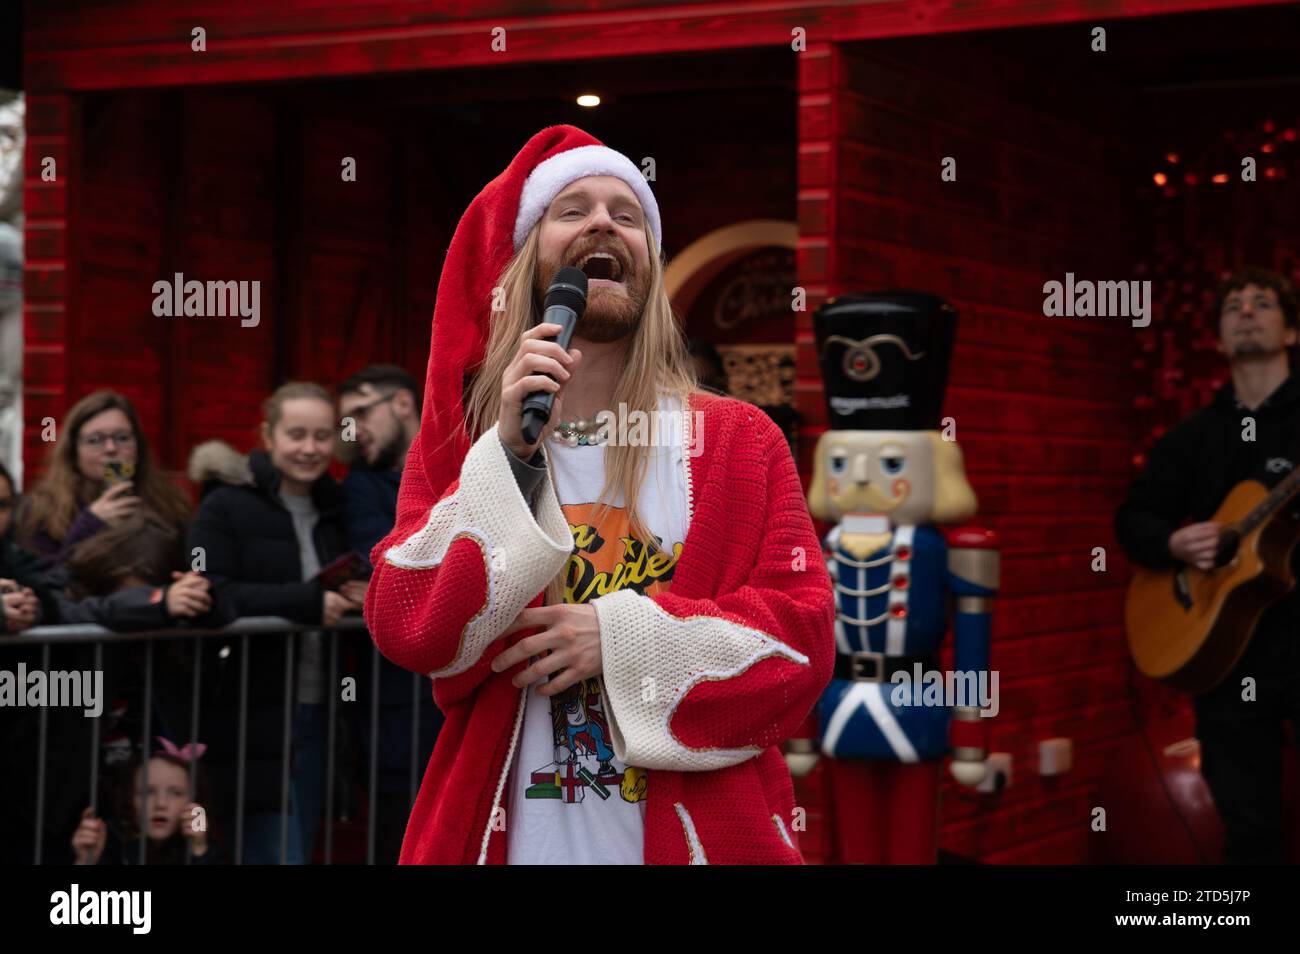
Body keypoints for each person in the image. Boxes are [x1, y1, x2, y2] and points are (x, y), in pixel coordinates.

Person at [364, 125, 835, 865]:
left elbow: (800, 645)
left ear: (648, 261)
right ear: (528, 263)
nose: (603, 223)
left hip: (703, 836)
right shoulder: (472, 446)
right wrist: (510, 457)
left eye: (627, 212)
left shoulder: (740, 441)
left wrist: (617, 639)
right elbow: (411, 628)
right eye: (571, 208)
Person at [1115, 266, 1300, 864]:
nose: (1247, 311)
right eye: (1233, 307)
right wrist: (1174, 543)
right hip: (1227, 655)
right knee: (1249, 830)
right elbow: (1132, 520)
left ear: (1291, 331)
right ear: (1219, 340)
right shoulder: (1190, 437)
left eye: (1263, 303)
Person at [187, 382, 366, 864]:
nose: (310, 449)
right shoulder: (225, 505)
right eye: (296, 434)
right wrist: (308, 602)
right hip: (251, 708)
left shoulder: (335, 509)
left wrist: (358, 596)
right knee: (269, 849)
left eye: (322, 436)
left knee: (300, 845)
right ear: (268, 436)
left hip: (321, 706)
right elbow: (211, 592)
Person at [337, 365, 442, 863]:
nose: (352, 430)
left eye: (360, 413)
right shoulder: (361, 486)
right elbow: (387, 562)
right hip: (394, 703)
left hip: (461, 692)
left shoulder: (459, 460)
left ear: (402, 403)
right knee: (398, 834)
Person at [16, 390, 191, 570]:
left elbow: (189, 565)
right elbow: (44, 583)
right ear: (73, 452)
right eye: (95, 440)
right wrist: (90, 525)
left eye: (122, 438)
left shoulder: (170, 503)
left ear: (138, 448)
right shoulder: (41, 509)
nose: (111, 448)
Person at [71, 740, 220, 865]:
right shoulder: (110, 843)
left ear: (195, 804)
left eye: (176, 793)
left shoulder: (210, 847)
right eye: (148, 792)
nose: (161, 803)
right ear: (130, 799)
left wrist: (199, 849)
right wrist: (85, 860)